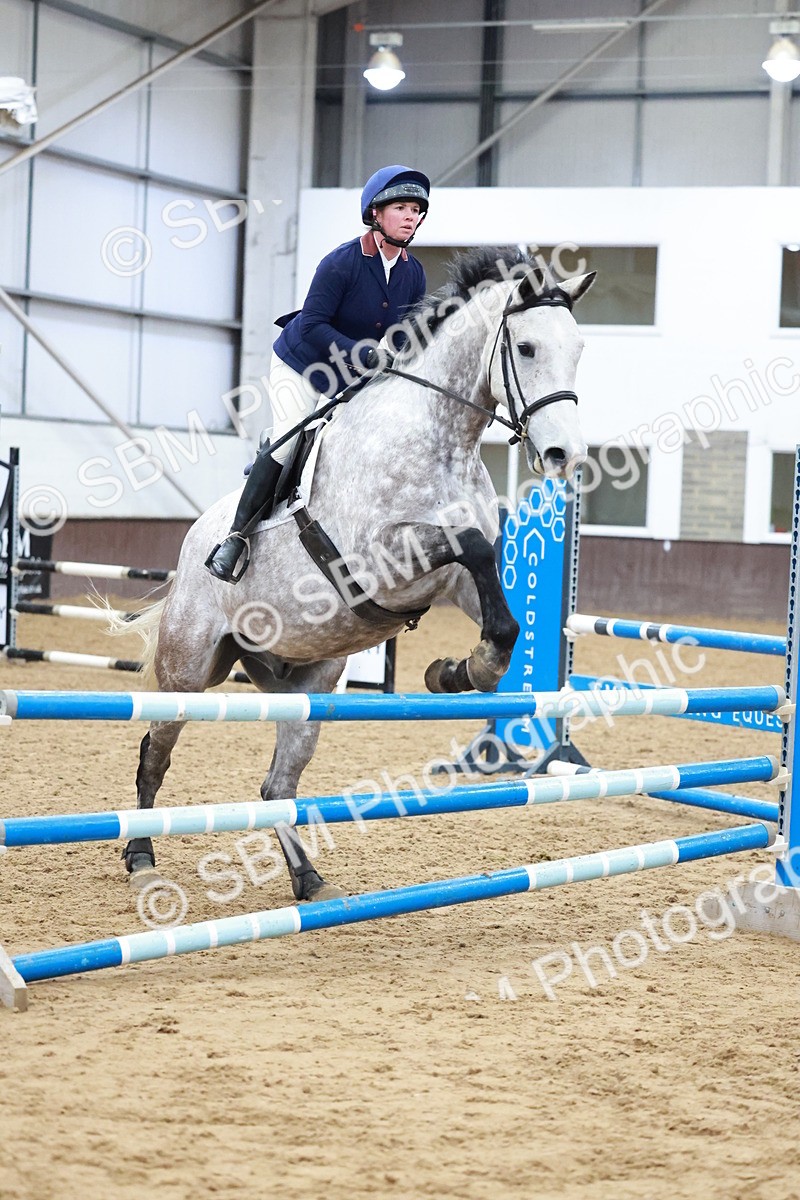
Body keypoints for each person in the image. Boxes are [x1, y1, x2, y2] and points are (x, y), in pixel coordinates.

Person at [205, 164, 430, 582]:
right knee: (291, 441)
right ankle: (235, 538)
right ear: (376, 214)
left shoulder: (413, 273)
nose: (411, 216)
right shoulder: (341, 262)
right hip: (303, 363)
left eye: (416, 210)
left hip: (351, 375)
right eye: (401, 207)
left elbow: (404, 332)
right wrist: (364, 352)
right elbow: (311, 325)